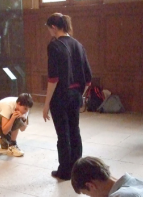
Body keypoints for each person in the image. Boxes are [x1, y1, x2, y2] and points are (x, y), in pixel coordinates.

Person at [43, 13, 92, 181]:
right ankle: (77, 169)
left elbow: (53, 78)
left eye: (49, 28)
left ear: (54, 27)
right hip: (75, 95)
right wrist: (79, 95)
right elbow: (88, 79)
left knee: (63, 134)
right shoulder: (78, 45)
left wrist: (46, 103)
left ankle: (64, 171)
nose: (49, 31)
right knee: (74, 130)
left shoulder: (54, 46)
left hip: (60, 97)